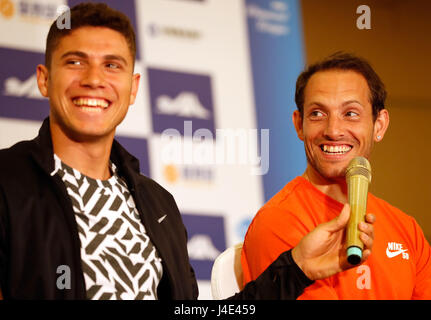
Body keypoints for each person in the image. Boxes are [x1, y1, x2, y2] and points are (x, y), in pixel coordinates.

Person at [0, 3, 375, 300]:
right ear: (44, 79)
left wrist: (297, 269)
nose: (94, 79)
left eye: (111, 65)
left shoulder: (157, 203)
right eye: (75, 61)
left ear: (133, 88)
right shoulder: (8, 181)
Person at [241, 52, 431, 299]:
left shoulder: (407, 230)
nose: (333, 130)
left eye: (350, 113)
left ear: (379, 125)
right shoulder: (278, 221)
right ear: (299, 125)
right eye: (317, 114)